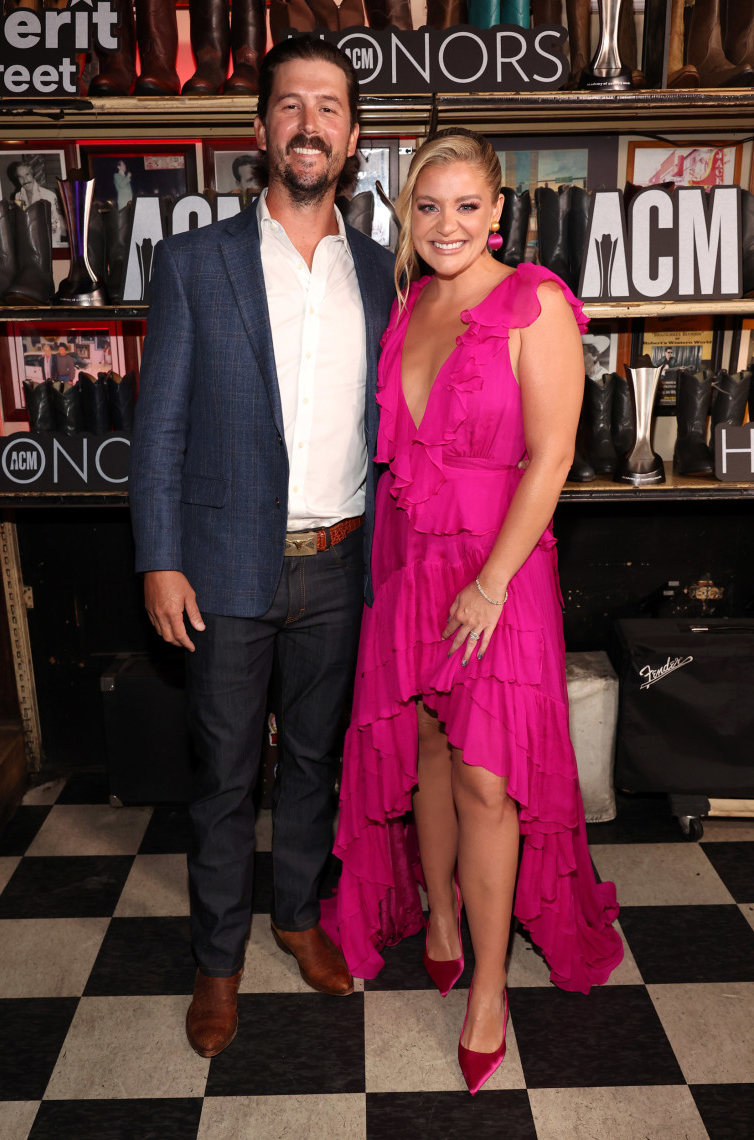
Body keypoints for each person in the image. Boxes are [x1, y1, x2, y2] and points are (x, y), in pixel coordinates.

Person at [329, 129, 624, 1095]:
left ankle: (489, 984)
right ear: (407, 216)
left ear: (498, 212)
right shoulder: (409, 304)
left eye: (466, 206)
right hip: (411, 560)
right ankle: (444, 918)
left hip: (498, 570)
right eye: (427, 206)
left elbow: (552, 456)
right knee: (424, 753)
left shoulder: (532, 300)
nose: (446, 224)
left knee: (489, 781)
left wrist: (492, 583)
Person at [128, 35, 395, 1059]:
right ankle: (217, 959)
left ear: (354, 137)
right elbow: (159, 429)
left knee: (317, 765)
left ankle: (295, 917)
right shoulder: (197, 262)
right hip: (224, 569)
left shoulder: (378, 270)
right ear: (261, 130)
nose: (309, 124)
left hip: (340, 563)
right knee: (226, 776)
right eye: (290, 105)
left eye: (328, 107)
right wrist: (159, 555)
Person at [10, 160, 65, 244]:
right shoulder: (18, 196)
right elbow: (23, 220)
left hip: (47, 242)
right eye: (20, 177)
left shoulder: (48, 195)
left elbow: (56, 226)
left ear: (33, 174)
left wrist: (53, 246)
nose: (25, 180)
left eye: (27, 175)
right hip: (28, 242)